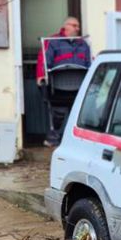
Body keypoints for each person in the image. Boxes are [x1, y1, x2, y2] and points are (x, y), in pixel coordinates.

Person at [36, 17, 91, 146]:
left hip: (79, 88)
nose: (78, 29)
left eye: (78, 26)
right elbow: (43, 61)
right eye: (74, 25)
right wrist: (40, 76)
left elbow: (90, 63)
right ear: (65, 26)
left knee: (77, 115)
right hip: (58, 88)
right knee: (58, 114)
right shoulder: (53, 41)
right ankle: (53, 139)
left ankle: (74, 141)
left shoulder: (83, 44)